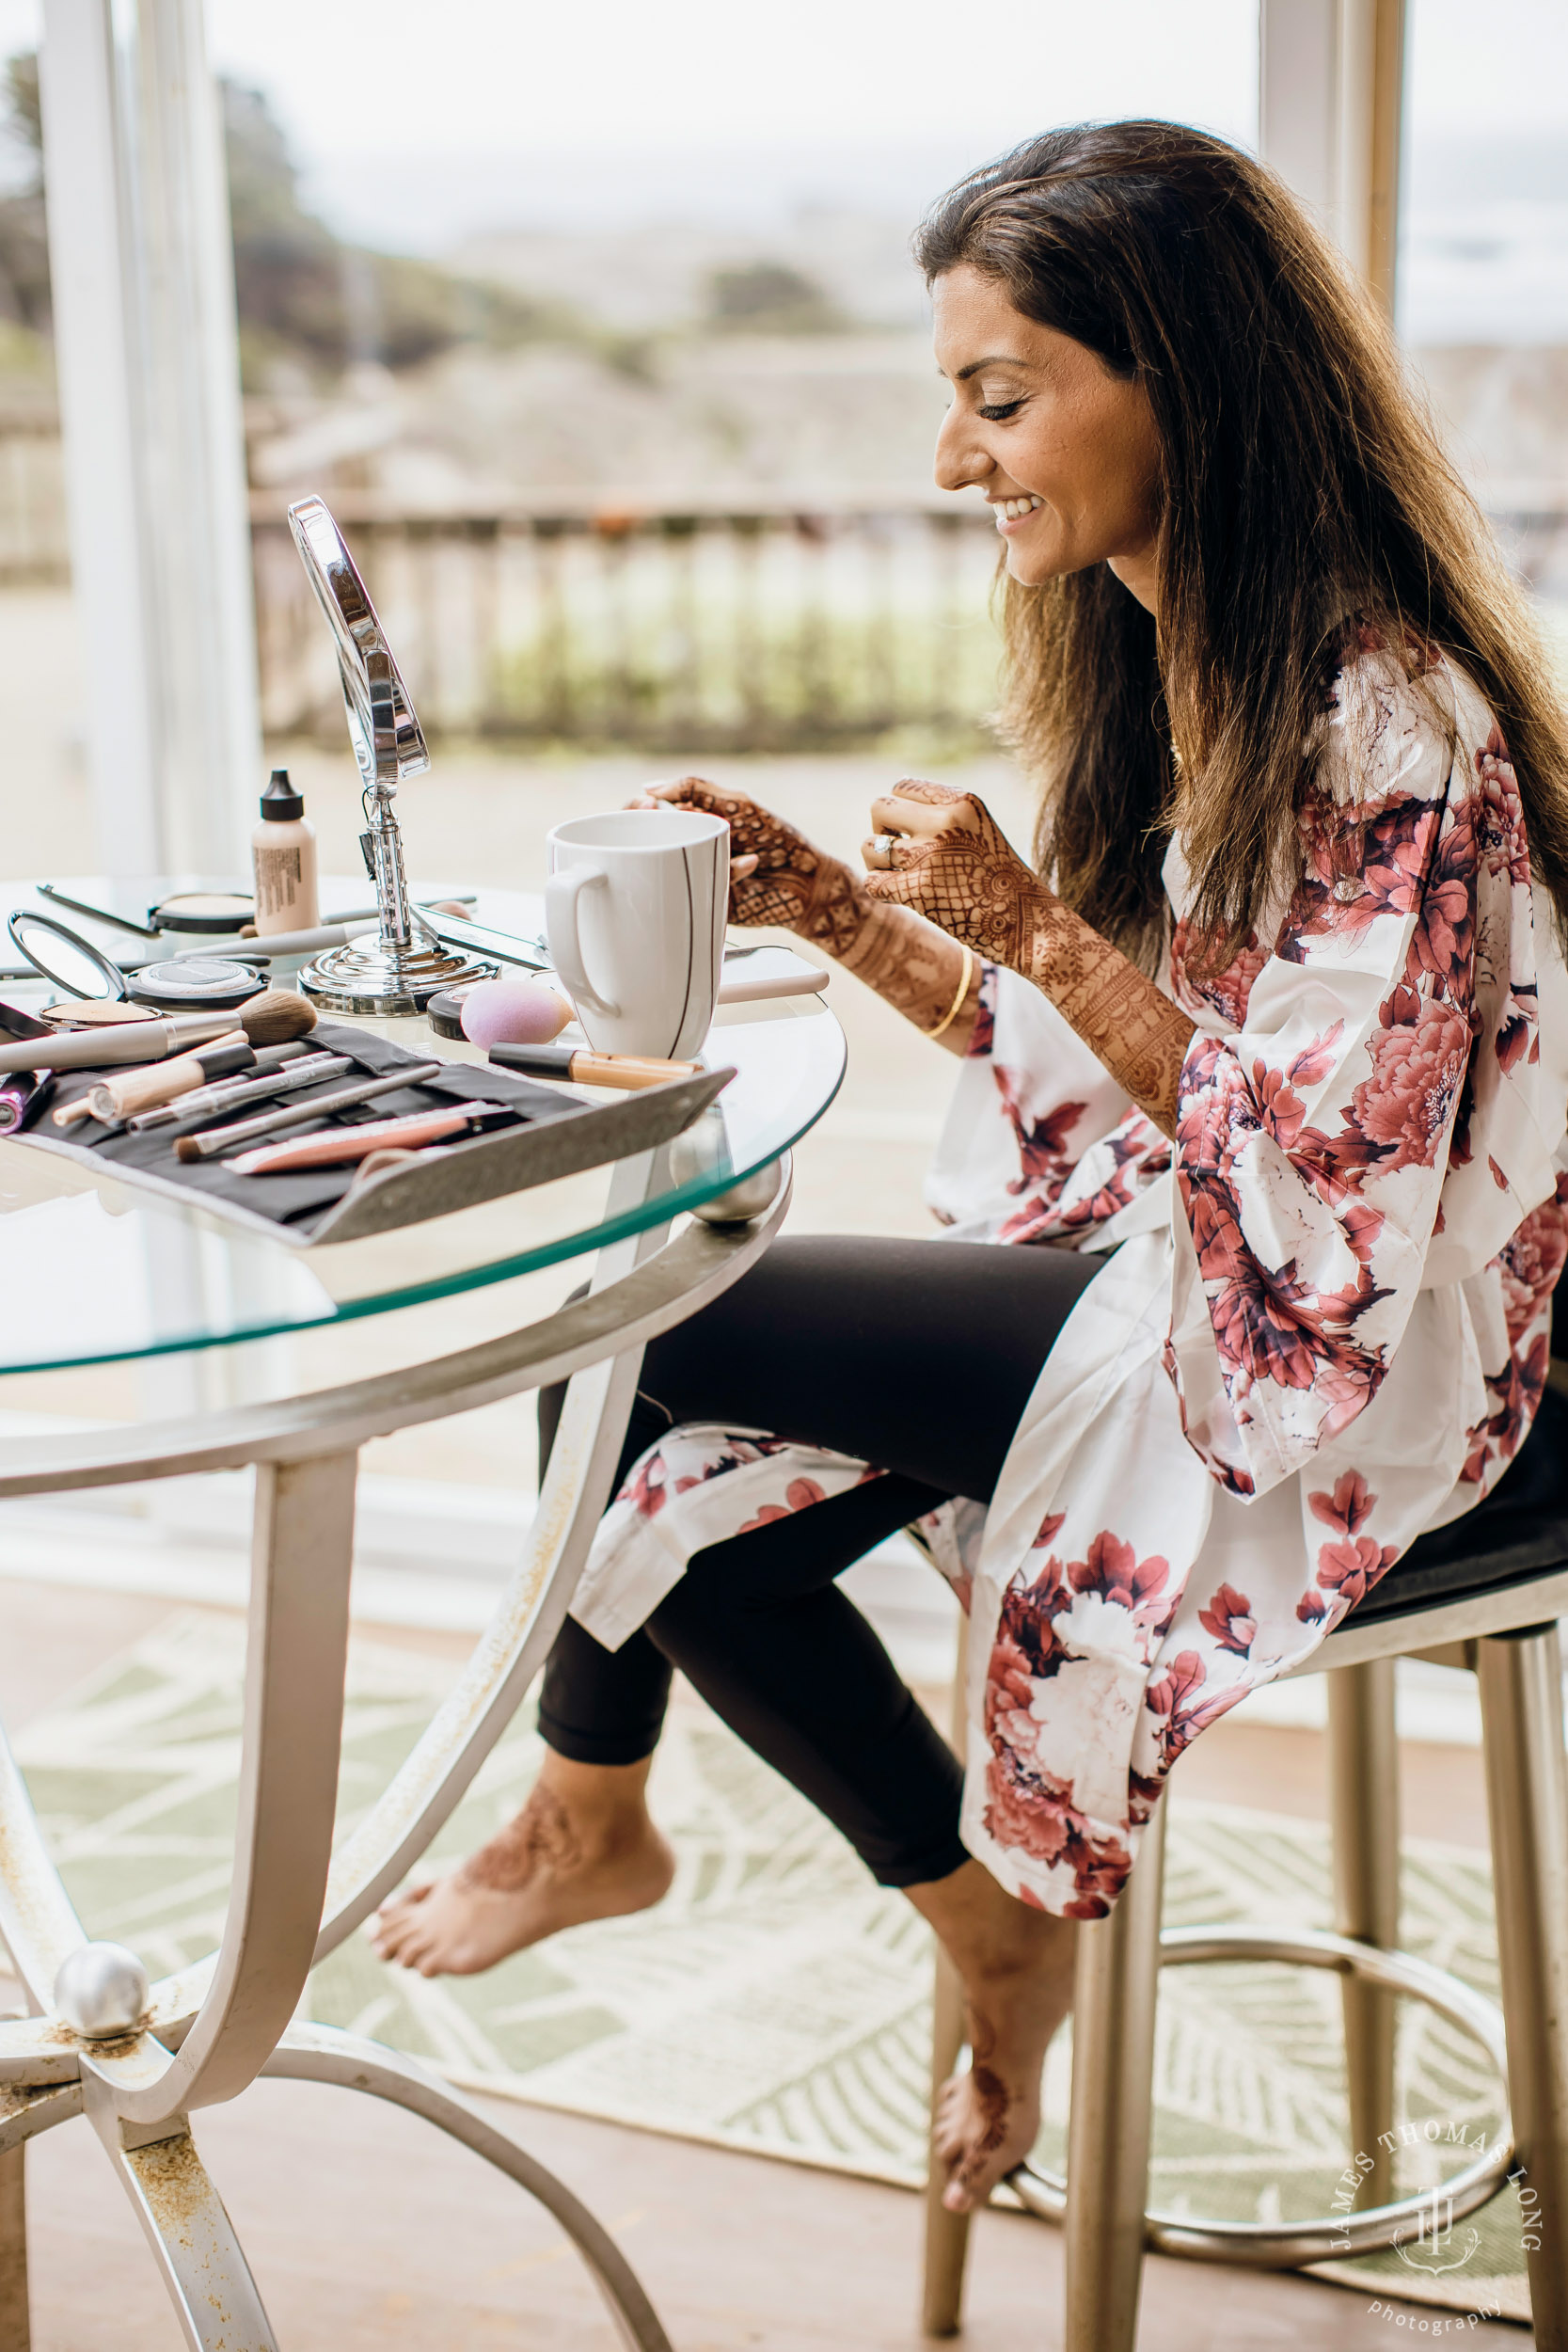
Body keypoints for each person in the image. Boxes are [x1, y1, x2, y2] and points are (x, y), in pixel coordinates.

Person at [373, 120, 1568, 2214]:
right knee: (670, 1478)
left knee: (629, 1321)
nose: (954, 460)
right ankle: (965, 1903)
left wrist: (1033, 927)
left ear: (1177, 380)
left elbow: (1332, 1194)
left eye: (1000, 398)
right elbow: (1109, 1068)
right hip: (1199, 1249)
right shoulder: (1196, 655)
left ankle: (601, 1813)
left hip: (1377, 1362)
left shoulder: (1386, 723)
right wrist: (842, 908)